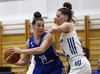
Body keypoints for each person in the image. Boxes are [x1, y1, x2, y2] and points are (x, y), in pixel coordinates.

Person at [51, 2, 91, 74]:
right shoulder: (64, 32)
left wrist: (53, 25)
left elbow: (54, 30)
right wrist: (55, 51)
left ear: (66, 17)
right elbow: (68, 53)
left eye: (58, 16)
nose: (56, 19)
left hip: (80, 64)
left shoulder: (67, 25)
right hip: (76, 64)